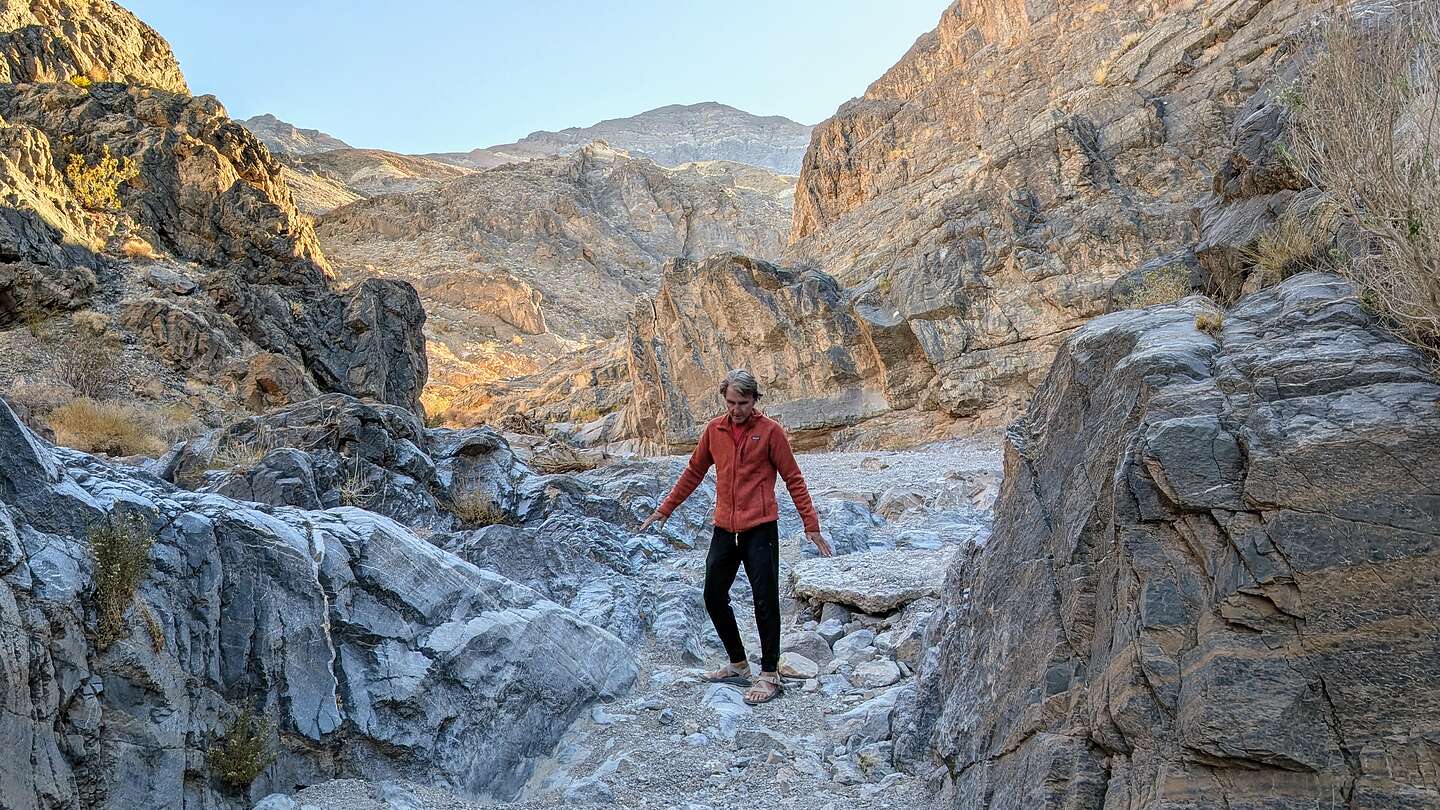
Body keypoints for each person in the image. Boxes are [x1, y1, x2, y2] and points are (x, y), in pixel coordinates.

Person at [639, 369, 832, 705]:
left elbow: (794, 479)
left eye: (742, 402)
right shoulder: (714, 430)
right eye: (730, 402)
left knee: (765, 600)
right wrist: (665, 509)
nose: (736, 409)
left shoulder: (771, 432)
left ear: (754, 400)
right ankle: (739, 665)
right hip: (724, 529)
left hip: (760, 529)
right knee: (713, 596)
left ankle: (769, 673)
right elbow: (694, 471)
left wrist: (810, 525)